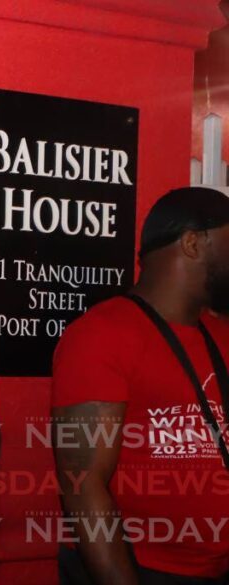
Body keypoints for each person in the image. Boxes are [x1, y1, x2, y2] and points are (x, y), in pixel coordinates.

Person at [52, 187, 229, 584]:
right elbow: (82, 487)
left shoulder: (220, 334)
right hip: (144, 571)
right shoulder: (102, 334)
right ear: (192, 243)